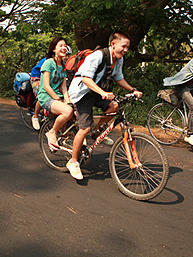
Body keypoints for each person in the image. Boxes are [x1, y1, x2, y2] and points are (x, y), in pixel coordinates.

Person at [67, 31, 142, 180]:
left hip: (97, 91)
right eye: (124, 46)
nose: (126, 50)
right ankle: (73, 161)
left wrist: (133, 90)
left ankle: (96, 132)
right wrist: (102, 92)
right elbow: (86, 79)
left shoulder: (118, 59)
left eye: (128, 47)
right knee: (84, 128)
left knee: (114, 107)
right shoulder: (98, 56)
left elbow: (119, 78)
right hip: (82, 92)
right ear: (113, 44)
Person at [37, 37, 73, 150]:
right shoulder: (49, 63)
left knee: (74, 110)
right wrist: (58, 99)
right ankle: (52, 132)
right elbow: (46, 86)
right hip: (46, 96)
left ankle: (64, 132)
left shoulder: (63, 66)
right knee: (67, 111)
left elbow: (63, 87)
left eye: (65, 46)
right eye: (60, 46)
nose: (64, 48)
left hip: (58, 95)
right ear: (53, 49)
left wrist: (68, 101)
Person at [30, 46, 72, 130]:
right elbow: (46, 83)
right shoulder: (49, 61)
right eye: (66, 55)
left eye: (68, 55)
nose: (66, 57)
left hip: (50, 80)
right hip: (37, 77)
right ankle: (35, 116)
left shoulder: (62, 65)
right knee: (41, 95)